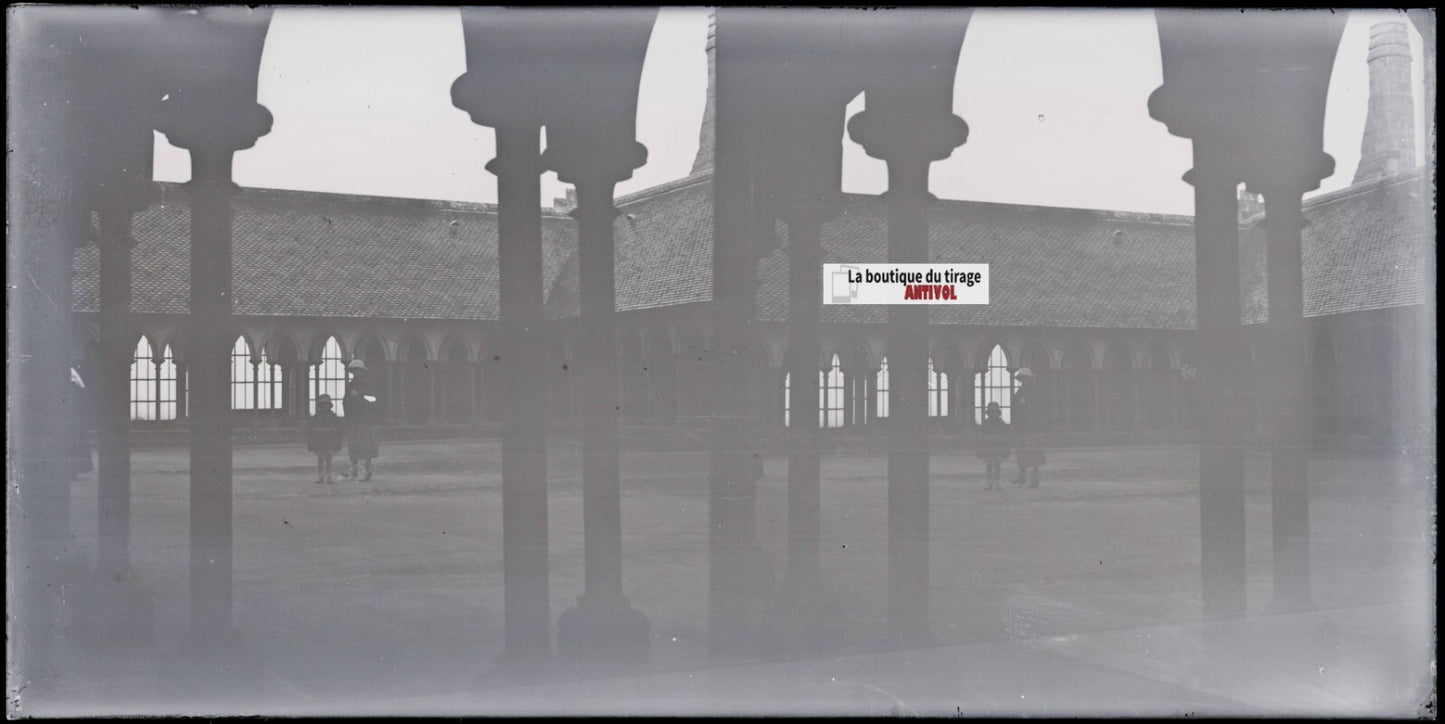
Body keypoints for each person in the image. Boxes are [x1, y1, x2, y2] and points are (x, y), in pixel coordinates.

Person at [342, 360, 379, 481]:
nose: (356, 373)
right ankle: (354, 470)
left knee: (366, 445)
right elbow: (345, 402)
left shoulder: (368, 385)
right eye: (354, 371)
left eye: (358, 370)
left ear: (362, 371)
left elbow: (374, 400)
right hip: (353, 420)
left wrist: (359, 398)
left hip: (365, 419)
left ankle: (366, 470)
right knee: (353, 445)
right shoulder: (350, 386)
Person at [1010, 367, 1047, 488]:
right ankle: (1022, 476)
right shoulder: (1020, 392)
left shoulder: (1036, 392)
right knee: (1022, 453)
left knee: (1034, 454)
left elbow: (1040, 409)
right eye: (1021, 379)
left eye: (1025, 378)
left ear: (1030, 379)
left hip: (1033, 428)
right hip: (1022, 427)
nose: (1023, 381)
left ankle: (1035, 478)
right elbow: (1014, 407)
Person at [307, 393, 344, 484]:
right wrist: (317, 430)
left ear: (329, 405)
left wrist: (333, 429)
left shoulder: (333, 416)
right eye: (323, 404)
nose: (325, 406)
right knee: (320, 457)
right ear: (320, 405)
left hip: (330, 439)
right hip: (320, 439)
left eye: (327, 404)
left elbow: (338, 426)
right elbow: (311, 427)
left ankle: (329, 476)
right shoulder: (317, 416)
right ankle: (320, 476)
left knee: (329, 457)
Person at [978, 401, 1010, 490]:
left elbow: (1006, 436)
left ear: (997, 413)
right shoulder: (985, 424)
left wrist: (999, 439)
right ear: (988, 413)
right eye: (991, 412)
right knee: (989, 465)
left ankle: (997, 483)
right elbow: (981, 436)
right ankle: (989, 483)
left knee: (997, 466)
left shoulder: (1002, 424)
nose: (993, 414)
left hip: (998, 448)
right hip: (989, 447)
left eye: (994, 411)